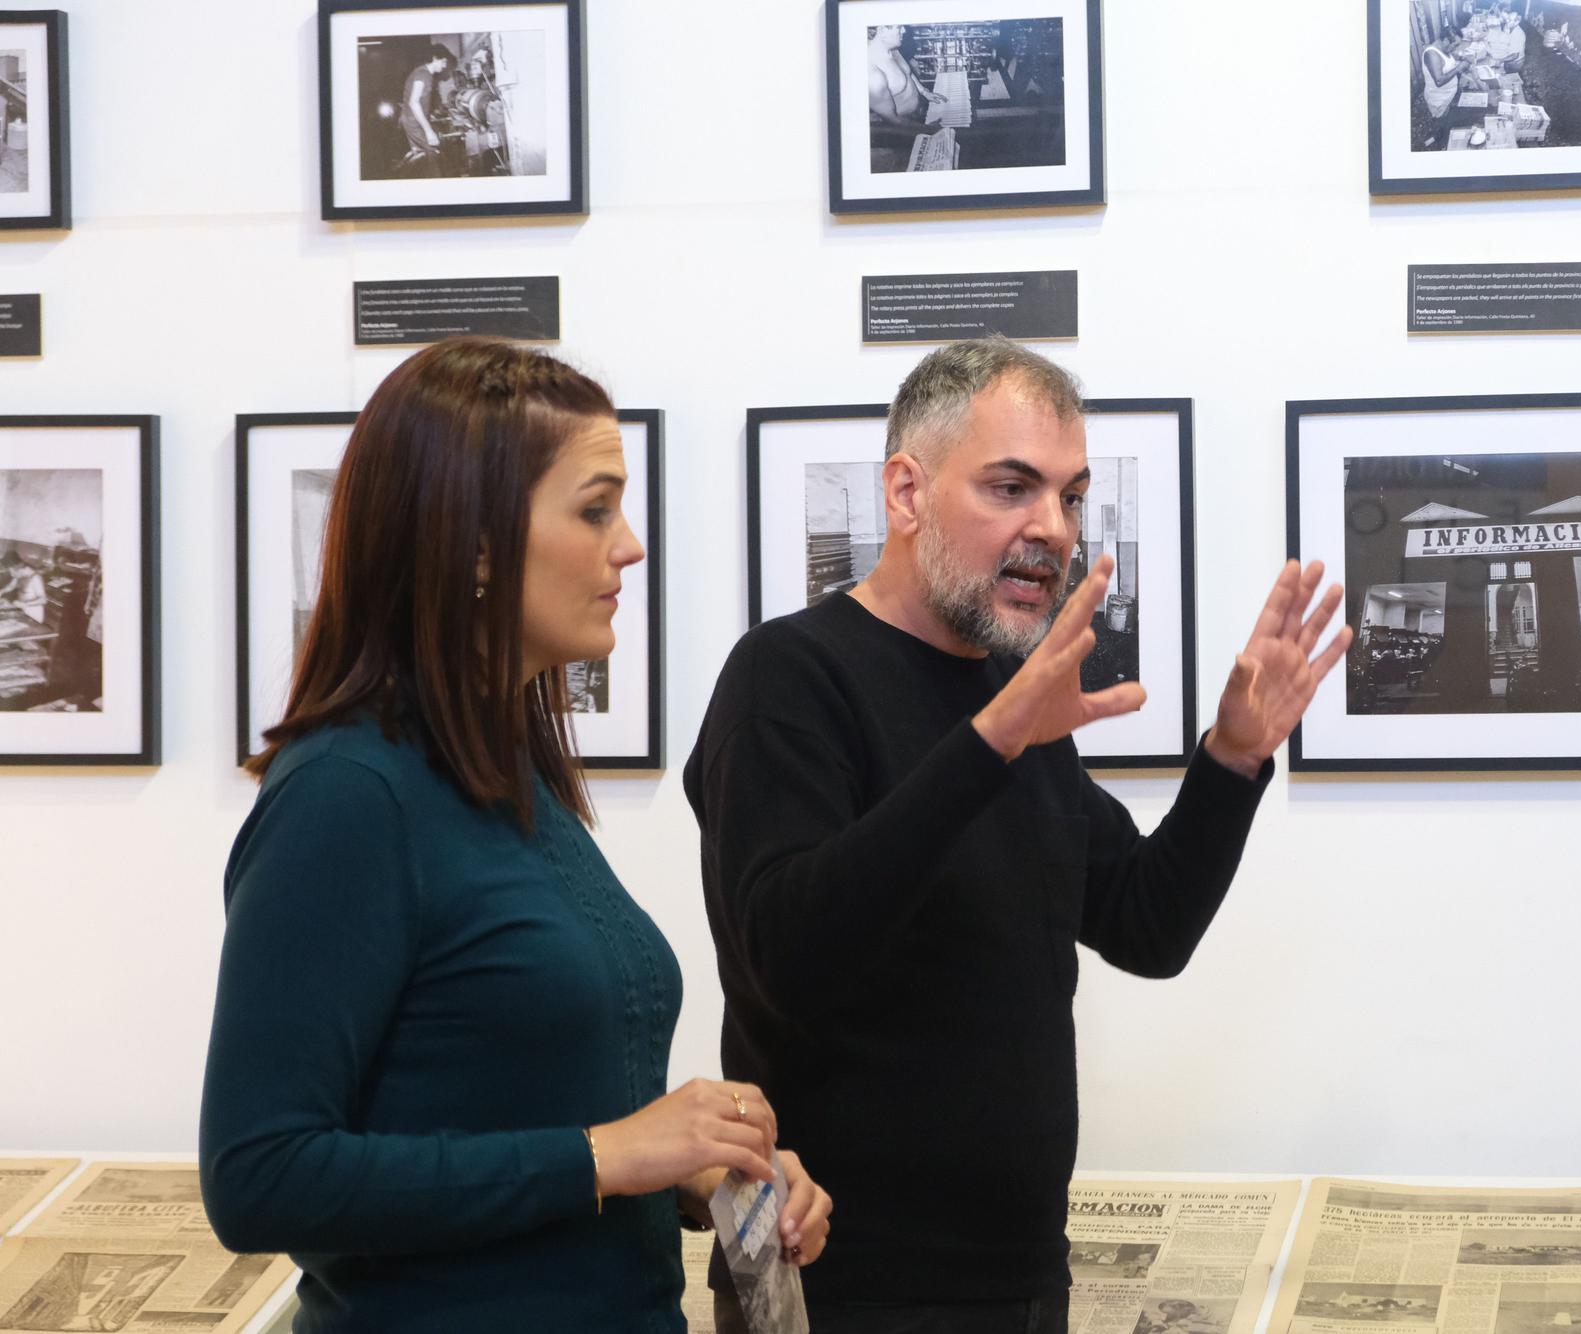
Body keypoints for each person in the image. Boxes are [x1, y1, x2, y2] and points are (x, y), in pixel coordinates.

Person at [685, 337, 1350, 1332]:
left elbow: (1143, 922)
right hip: (839, 1284)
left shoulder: (1012, 693)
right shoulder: (789, 677)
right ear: (904, 493)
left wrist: (1231, 755)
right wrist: (989, 740)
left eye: (1070, 495)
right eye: (1011, 487)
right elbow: (789, 952)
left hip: (1022, 1283)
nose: (1050, 527)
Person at [199, 338, 831, 1334]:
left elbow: (518, 1102)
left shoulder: (507, 768)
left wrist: (696, 1168)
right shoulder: (346, 794)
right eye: (594, 508)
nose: (628, 544)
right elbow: (261, 1173)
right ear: (478, 542)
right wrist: (612, 1153)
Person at [867, 24, 946, 170]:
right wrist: (928, 130)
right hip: (901, 132)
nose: (903, 30)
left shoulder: (891, 48)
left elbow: (907, 73)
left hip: (917, 117)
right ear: (883, 30)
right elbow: (893, 120)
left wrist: (924, 92)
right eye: (899, 27)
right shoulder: (871, 74)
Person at [398, 43, 453, 177]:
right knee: (433, 154)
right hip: (413, 122)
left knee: (421, 156)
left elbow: (415, 102)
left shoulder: (421, 72)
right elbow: (414, 102)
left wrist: (428, 117)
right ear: (435, 58)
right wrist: (429, 131)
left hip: (410, 120)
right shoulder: (424, 74)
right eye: (444, 61)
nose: (445, 65)